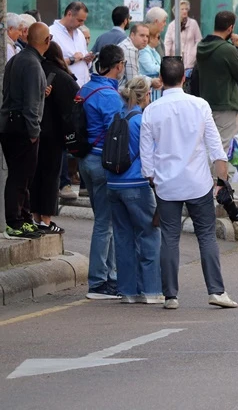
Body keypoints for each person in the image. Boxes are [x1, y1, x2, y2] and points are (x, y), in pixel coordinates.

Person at [140, 57, 238, 309]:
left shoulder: (151, 110)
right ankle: (216, 291)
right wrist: (221, 181)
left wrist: (153, 179)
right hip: (198, 183)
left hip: (167, 185)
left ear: (160, 80)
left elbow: (146, 157)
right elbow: (216, 148)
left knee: (169, 238)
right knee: (206, 236)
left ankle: (170, 295)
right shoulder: (200, 105)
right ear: (184, 78)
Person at [78, 44, 128, 298]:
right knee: (105, 224)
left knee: (103, 221)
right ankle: (99, 282)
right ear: (118, 65)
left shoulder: (86, 87)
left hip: (85, 160)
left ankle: (109, 277)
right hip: (100, 163)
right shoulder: (109, 96)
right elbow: (116, 132)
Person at [108, 78, 162, 304]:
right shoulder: (141, 121)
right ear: (146, 95)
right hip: (136, 184)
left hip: (113, 184)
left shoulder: (117, 117)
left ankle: (128, 291)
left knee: (123, 238)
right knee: (149, 235)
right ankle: (150, 290)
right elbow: (150, 153)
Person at [1, 22, 51, 239]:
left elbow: (12, 92)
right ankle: (15, 222)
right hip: (22, 126)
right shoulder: (31, 63)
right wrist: (33, 132)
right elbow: (30, 104)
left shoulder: (17, 59)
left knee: (22, 176)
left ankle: (24, 218)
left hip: (10, 123)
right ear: (47, 41)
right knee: (20, 177)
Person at [31, 41, 80, 234]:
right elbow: (76, 103)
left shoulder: (34, 71)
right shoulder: (63, 77)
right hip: (55, 136)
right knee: (51, 176)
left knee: (35, 175)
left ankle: (35, 216)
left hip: (34, 132)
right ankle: (46, 219)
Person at [196, 11, 238, 153]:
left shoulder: (201, 46)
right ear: (230, 28)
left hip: (207, 101)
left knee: (209, 145)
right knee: (224, 148)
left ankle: (210, 175)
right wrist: (236, 46)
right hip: (226, 103)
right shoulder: (228, 49)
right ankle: (217, 176)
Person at [50, 1, 93, 87]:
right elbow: (50, 65)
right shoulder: (51, 33)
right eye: (79, 20)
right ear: (69, 14)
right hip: (65, 88)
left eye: (83, 21)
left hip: (83, 87)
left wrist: (87, 60)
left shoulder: (80, 34)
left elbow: (83, 60)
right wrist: (71, 60)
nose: (82, 24)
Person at [163, 0, 202, 70]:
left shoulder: (193, 23)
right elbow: (167, 43)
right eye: (182, 9)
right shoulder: (172, 25)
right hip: (175, 63)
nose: (185, 11)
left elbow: (199, 40)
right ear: (177, 11)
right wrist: (167, 59)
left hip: (190, 63)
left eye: (186, 9)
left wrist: (194, 53)